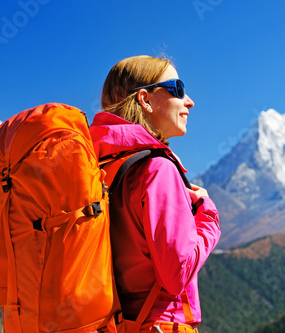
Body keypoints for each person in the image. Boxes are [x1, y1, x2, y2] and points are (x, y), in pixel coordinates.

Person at [89, 55, 220, 332]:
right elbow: (177, 274)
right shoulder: (157, 168)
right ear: (145, 100)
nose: (189, 101)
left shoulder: (98, 167)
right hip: (161, 324)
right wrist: (206, 214)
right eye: (178, 89)